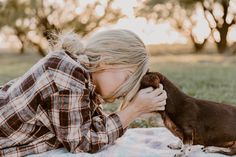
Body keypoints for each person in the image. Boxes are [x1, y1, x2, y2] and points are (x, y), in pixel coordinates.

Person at [0, 29, 167, 156]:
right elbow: (81, 142)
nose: (127, 89)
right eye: (127, 78)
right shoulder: (67, 73)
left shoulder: (84, 84)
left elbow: (94, 127)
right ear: (106, 61)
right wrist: (133, 111)